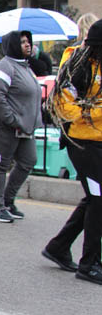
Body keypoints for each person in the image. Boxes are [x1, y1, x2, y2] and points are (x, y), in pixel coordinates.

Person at [42, 19, 102, 283]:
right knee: (99, 200)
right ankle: (88, 264)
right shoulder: (77, 64)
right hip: (82, 143)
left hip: (98, 141)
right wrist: (94, 113)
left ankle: (58, 247)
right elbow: (66, 107)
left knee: (94, 199)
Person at [0, 30, 42, 222]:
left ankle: (7, 201)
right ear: (13, 45)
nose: (27, 45)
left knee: (28, 160)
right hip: (5, 127)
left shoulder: (25, 67)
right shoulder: (3, 67)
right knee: (1, 164)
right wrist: (12, 120)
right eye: (23, 42)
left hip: (24, 128)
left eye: (28, 42)